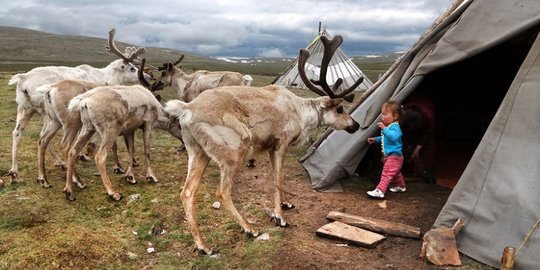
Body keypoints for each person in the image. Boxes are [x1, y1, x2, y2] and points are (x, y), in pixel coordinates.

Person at [366, 101, 406, 199]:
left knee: (386, 173)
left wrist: (384, 129)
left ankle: (380, 190)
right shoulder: (388, 127)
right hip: (391, 156)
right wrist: (375, 139)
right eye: (382, 114)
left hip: (395, 156)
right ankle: (401, 186)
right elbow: (385, 138)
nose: (383, 116)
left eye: (385, 114)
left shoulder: (395, 127)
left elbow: (394, 137)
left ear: (395, 116)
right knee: (395, 173)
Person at [401, 94, 436, 184]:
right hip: (406, 127)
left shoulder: (429, 116)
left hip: (424, 124)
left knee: (428, 149)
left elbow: (428, 133)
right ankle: (402, 168)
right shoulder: (402, 112)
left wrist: (418, 148)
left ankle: (428, 171)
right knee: (405, 145)